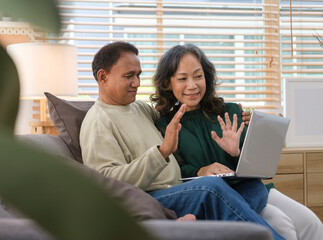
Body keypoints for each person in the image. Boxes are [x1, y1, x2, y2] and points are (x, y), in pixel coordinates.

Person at [80, 41, 285, 239]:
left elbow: (176, 121)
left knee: (252, 186)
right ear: (103, 77)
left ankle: (204, 226)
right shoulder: (98, 121)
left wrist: (248, 119)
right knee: (210, 189)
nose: (137, 82)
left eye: (138, 75)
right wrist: (161, 152)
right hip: (153, 196)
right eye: (129, 76)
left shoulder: (138, 108)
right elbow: (106, 184)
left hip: (178, 188)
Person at [151, 43, 323, 240]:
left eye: (198, 76)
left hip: (252, 189)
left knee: (311, 223)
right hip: (220, 200)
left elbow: (256, 162)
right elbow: (172, 172)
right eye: (182, 79)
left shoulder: (231, 111)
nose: (192, 85)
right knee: (281, 224)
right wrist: (200, 171)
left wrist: (237, 152)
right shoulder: (166, 125)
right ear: (167, 83)